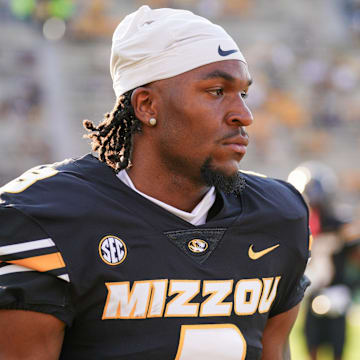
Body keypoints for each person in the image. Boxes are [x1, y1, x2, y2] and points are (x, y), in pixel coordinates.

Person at [0, 6, 311, 360]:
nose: (244, 115)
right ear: (147, 106)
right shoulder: (45, 220)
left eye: (243, 93)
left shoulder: (279, 217)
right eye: (216, 91)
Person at [288, 162, 360, 360]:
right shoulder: (295, 228)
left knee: (337, 348)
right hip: (310, 293)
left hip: (336, 293)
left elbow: (356, 254)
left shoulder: (339, 225)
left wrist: (349, 287)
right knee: (311, 347)